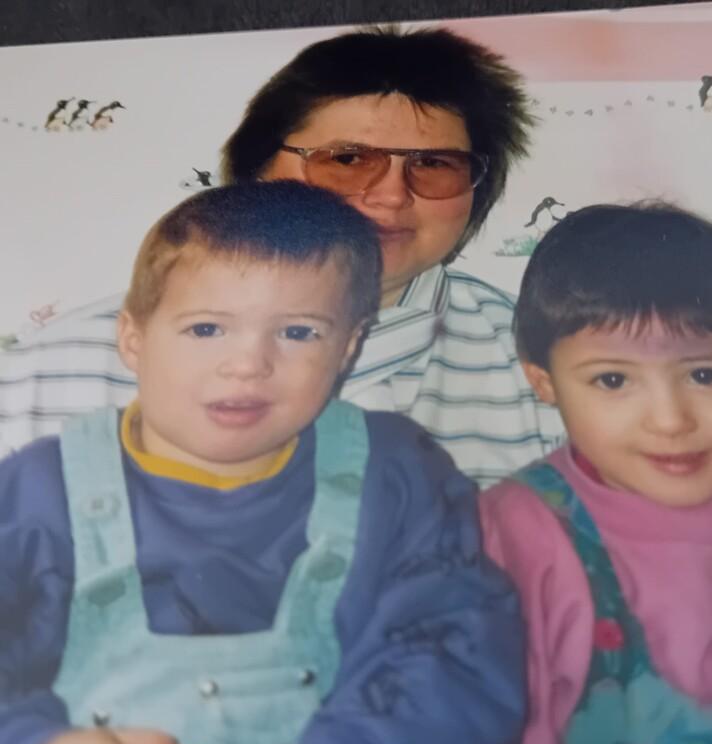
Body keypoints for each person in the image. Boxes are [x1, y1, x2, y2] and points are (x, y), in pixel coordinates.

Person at [0, 181, 526, 744]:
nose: (249, 364)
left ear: (348, 348)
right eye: (206, 329)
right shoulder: (38, 491)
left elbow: (456, 655)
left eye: (299, 333)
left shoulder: (396, 473)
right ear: (133, 339)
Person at [0, 25, 562, 488]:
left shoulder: (552, 366)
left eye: (434, 165)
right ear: (257, 172)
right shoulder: (51, 371)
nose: (392, 196)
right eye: (346, 160)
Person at [479, 202, 712, 744]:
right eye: (613, 380)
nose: (670, 420)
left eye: (705, 375)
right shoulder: (518, 536)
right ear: (545, 383)